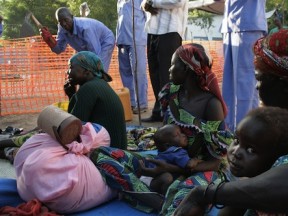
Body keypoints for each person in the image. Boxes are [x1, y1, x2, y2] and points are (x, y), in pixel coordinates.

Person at [174, 26, 288, 215]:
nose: (256, 86)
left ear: (286, 86)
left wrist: (209, 193)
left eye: (260, 79)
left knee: (284, 166)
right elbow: (250, 188)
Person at [89, 43, 232, 215]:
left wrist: (169, 169)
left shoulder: (211, 105)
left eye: (173, 64)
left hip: (200, 169)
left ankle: (146, 195)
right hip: (166, 162)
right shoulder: (170, 93)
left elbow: (216, 163)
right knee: (100, 154)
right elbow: (164, 138)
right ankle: (158, 202)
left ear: (187, 69)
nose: (169, 69)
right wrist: (162, 163)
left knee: (190, 197)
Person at [13, 121, 117, 214]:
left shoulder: (41, 141)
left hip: (26, 188)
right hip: (95, 138)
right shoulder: (77, 161)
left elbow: (71, 121)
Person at [220, 106, 288, 215]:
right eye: (236, 141)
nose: (236, 152)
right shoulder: (243, 190)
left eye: (251, 150)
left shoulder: (277, 202)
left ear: (277, 159)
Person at [64, 51, 127, 149]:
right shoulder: (99, 83)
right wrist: (72, 95)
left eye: (71, 67)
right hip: (117, 147)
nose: (68, 72)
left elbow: (73, 128)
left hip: (107, 152)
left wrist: (72, 96)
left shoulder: (88, 88)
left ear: (87, 71)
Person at [221, 0, 267, 131]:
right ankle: (229, 129)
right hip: (229, 24)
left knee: (245, 83)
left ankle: (245, 130)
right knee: (229, 84)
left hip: (247, 23)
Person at [141, 0, 188, 122]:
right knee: (154, 73)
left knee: (168, 75)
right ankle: (159, 111)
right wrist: (145, 5)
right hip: (152, 29)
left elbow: (178, 2)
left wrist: (153, 3)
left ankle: (170, 114)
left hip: (170, 31)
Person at [40, 7, 115, 73]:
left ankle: (100, 86)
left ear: (72, 17)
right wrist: (49, 40)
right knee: (84, 71)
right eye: (60, 22)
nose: (64, 24)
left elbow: (95, 54)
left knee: (99, 69)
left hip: (105, 41)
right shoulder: (62, 28)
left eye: (66, 20)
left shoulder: (85, 28)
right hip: (88, 47)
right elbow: (59, 49)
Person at [140, 124, 202, 195]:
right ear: (168, 145)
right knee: (167, 178)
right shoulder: (176, 151)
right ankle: (165, 197)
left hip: (147, 177)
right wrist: (196, 160)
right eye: (177, 135)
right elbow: (190, 165)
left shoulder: (165, 151)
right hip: (150, 181)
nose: (183, 135)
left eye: (181, 132)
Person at [116, 0, 148, 114]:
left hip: (137, 40)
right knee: (125, 73)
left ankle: (141, 104)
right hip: (122, 40)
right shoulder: (120, 1)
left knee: (139, 72)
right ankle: (131, 103)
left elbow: (148, 18)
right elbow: (120, 19)